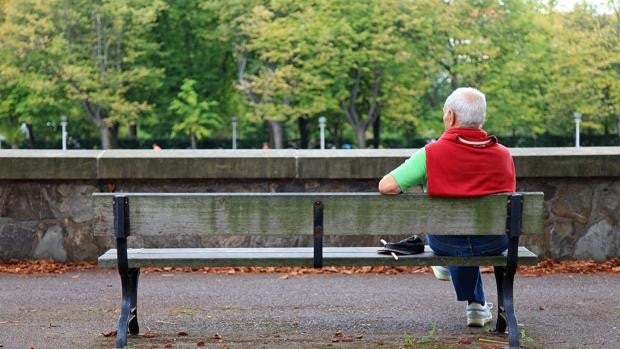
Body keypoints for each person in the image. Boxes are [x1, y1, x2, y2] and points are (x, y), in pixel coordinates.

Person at [378, 87, 515, 327]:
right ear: (481, 118)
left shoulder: (430, 154)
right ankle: (476, 306)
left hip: (445, 242)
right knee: (468, 233)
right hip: (493, 242)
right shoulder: (503, 155)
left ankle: (453, 275)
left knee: (456, 239)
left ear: (450, 116)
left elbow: (386, 186)